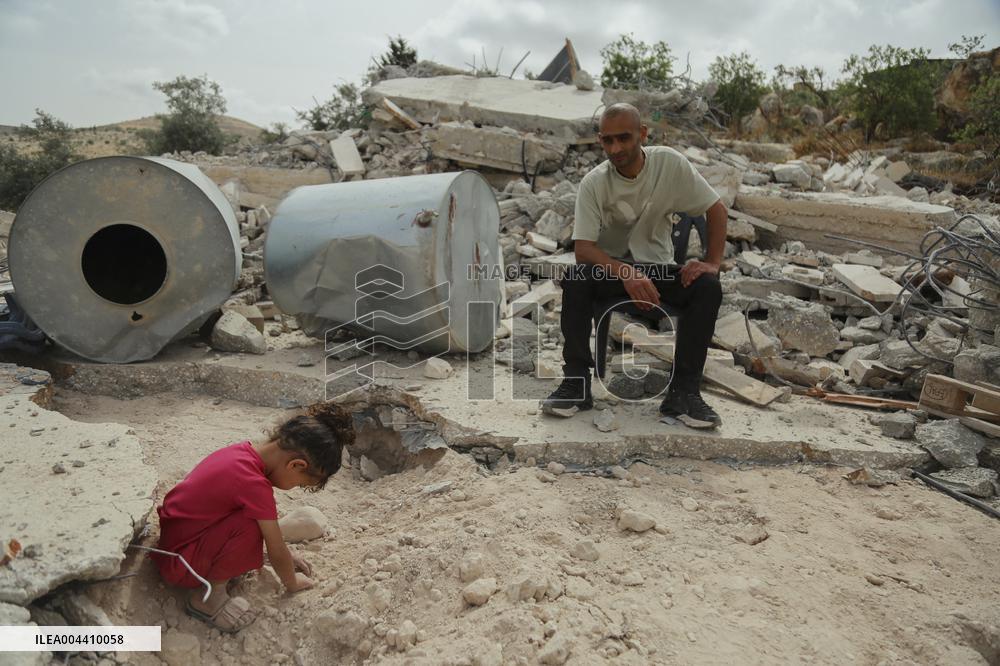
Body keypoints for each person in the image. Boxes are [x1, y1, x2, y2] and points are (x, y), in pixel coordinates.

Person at [541, 103, 727, 429]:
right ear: (600, 140)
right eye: (608, 140)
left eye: (624, 138)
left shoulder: (669, 163)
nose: (616, 149)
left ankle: (684, 394)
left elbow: (716, 209)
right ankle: (576, 384)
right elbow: (584, 249)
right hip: (612, 272)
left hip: (658, 270)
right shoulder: (594, 183)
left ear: (642, 134)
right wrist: (626, 272)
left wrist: (712, 262)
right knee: (576, 277)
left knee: (707, 287)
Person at [150, 402, 353, 632]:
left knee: (254, 520)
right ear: (296, 465)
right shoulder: (254, 485)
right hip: (181, 564)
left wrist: (278, 556)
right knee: (251, 524)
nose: (295, 487)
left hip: (176, 544)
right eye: (300, 484)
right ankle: (208, 600)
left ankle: (221, 568)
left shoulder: (241, 452)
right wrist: (291, 581)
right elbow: (276, 546)